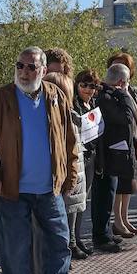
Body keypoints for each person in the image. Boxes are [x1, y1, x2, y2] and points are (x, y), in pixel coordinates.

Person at [0, 47, 83, 274]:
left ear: (43, 70)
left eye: (31, 67)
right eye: (20, 66)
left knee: (59, 243)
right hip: (11, 188)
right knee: (16, 248)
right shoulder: (0, 97)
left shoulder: (56, 96)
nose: (24, 72)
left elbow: (69, 139)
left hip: (50, 188)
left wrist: (71, 174)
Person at [91, 65, 137, 251]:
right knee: (103, 197)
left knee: (108, 196)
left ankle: (106, 232)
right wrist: (125, 95)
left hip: (113, 154)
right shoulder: (107, 98)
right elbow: (127, 117)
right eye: (126, 83)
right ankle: (101, 237)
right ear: (121, 82)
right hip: (106, 156)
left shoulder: (110, 96)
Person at [46, 71, 88, 260]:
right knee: (59, 230)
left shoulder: (67, 117)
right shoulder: (68, 117)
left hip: (67, 181)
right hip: (69, 180)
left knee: (58, 232)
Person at [70, 70, 101, 256]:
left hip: (91, 156)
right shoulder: (74, 103)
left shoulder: (93, 104)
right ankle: (71, 242)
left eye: (92, 86)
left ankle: (78, 238)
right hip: (79, 157)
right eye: (84, 85)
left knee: (82, 202)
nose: (88, 90)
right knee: (73, 203)